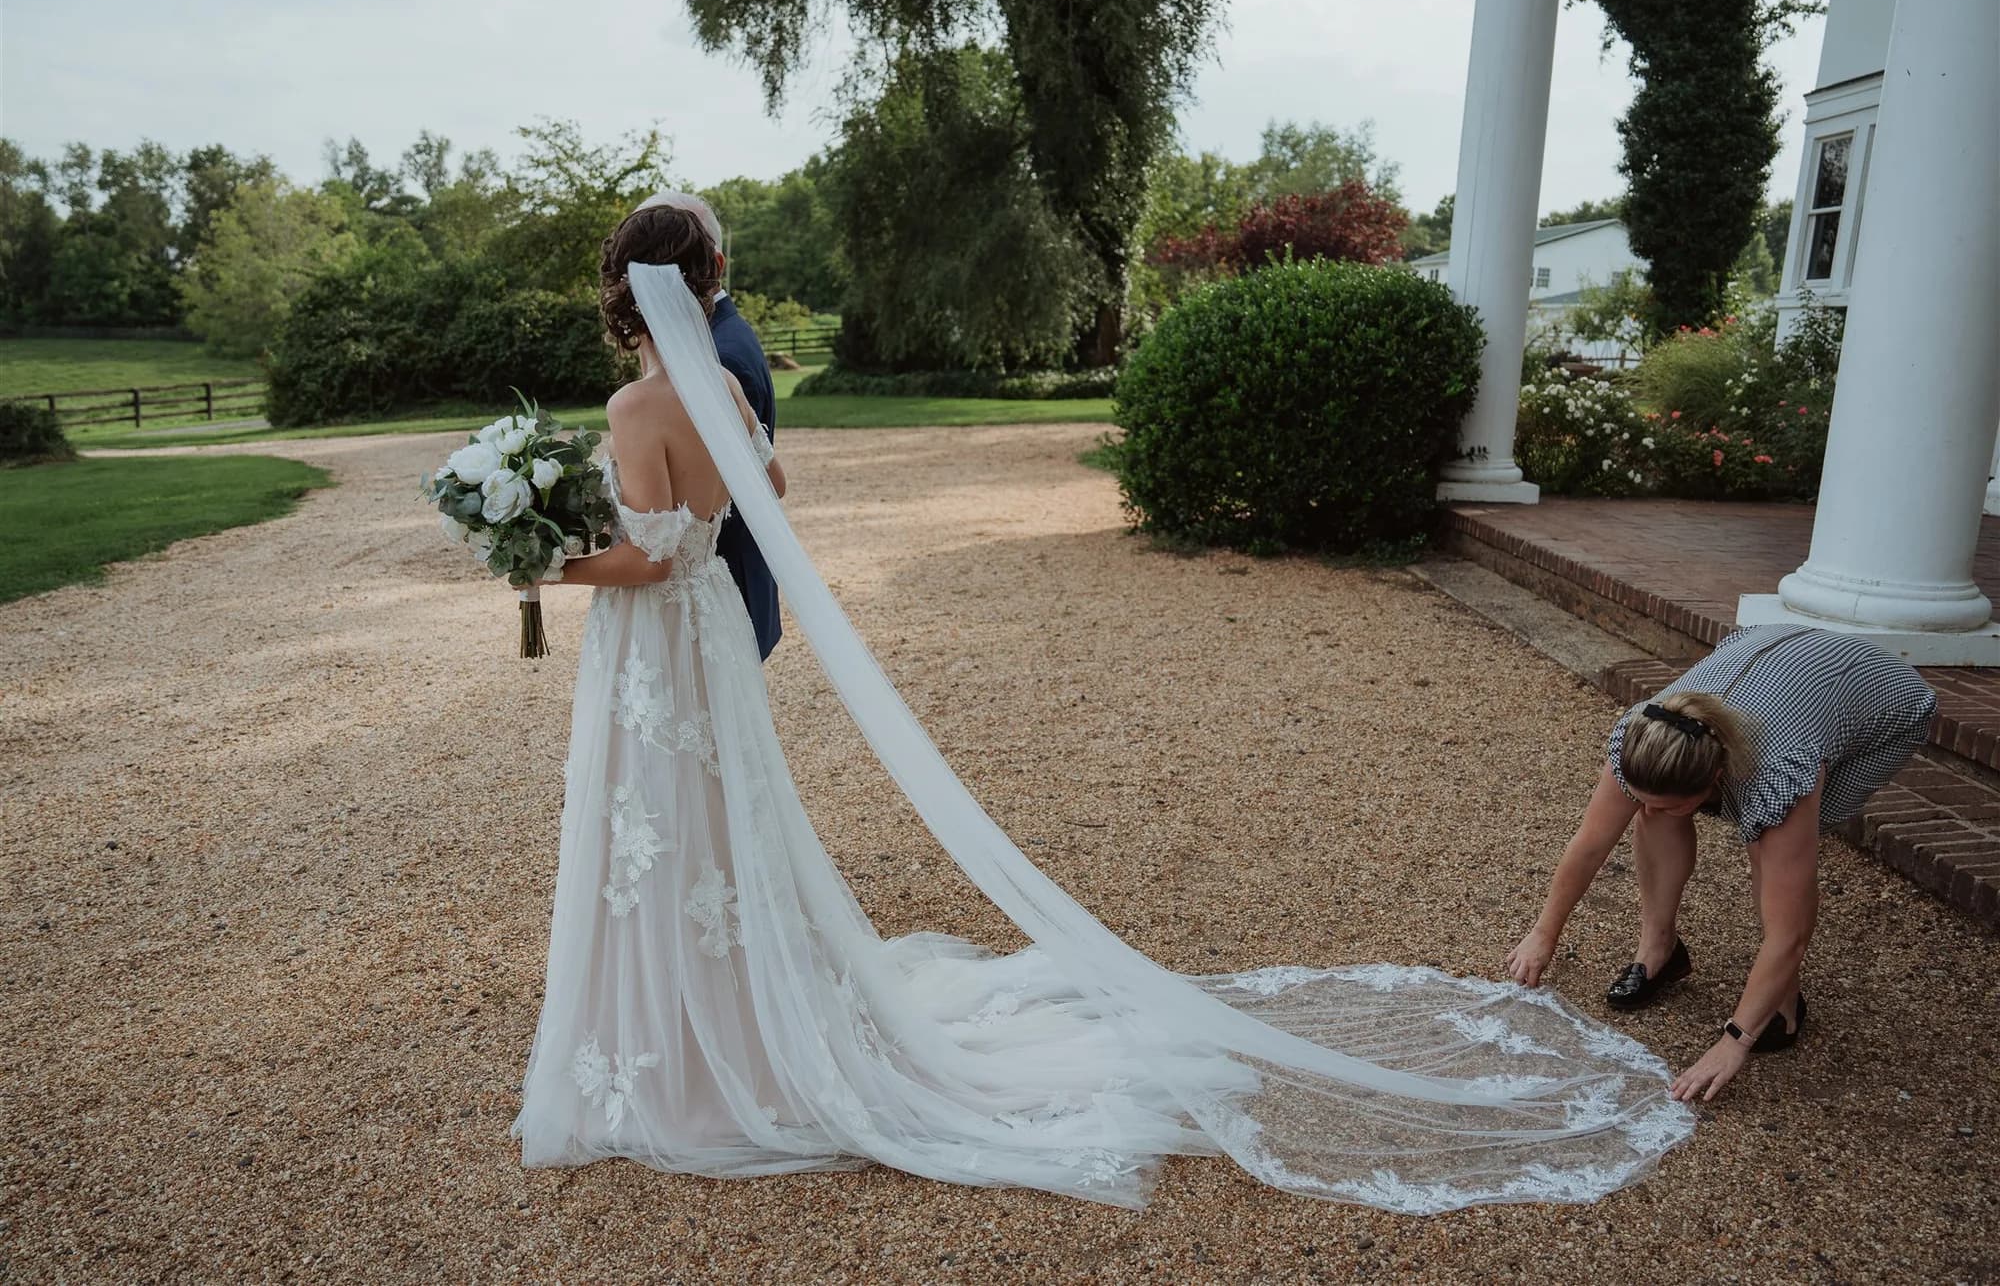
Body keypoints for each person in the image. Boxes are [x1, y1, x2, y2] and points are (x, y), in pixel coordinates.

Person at [506, 203, 1694, 1213]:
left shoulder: (629, 412)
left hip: (661, 637)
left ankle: (677, 1036)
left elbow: (649, 558)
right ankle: (724, 1012)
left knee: (654, 819)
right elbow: (761, 486)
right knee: (723, 820)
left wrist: (544, 562)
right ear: (705, 282)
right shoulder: (715, 380)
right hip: (709, 633)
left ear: (623, 287)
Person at [1507, 624, 1938, 1102]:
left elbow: (1789, 932)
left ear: (1715, 776)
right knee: (1655, 811)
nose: (1645, 804)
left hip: (1884, 703)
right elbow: (1590, 844)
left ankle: (1784, 1007)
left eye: (1676, 801)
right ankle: (1660, 949)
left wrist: (1735, 1040)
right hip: (1769, 655)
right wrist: (1545, 931)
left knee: (1772, 856)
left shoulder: (1781, 769)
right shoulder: (1645, 733)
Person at [632, 191, 781, 661]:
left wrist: (553, 565)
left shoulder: (719, 358)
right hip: (715, 596)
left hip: (707, 602)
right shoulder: (706, 354)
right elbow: (772, 478)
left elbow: (693, 513)